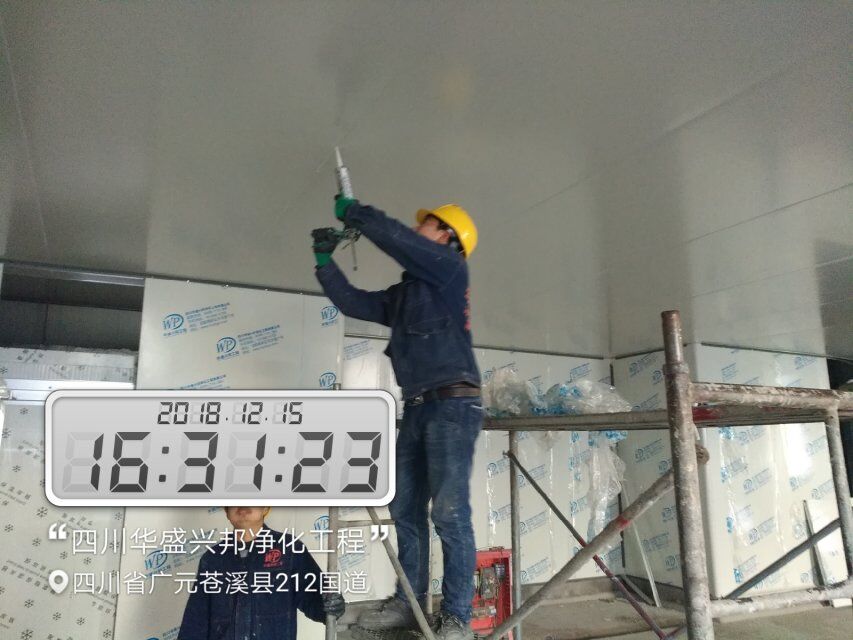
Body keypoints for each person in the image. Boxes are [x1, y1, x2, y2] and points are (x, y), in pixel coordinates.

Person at [312, 198, 482, 640]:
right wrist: (325, 262)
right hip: (418, 407)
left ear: (446, 235)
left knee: (449, 514)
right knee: (404, 509)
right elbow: (353, 302)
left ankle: (457, 618)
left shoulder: (448, 269)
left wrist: (357, 214)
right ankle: (409, 604)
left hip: (452, 406)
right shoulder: (408, 293)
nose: (416, 226)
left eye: (425, 223)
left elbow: (400, 241)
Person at [177, 506, 345, 640]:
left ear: (265, 507)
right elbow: (195, 623)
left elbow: (316, 600)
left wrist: (331, 604)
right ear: (226, 511)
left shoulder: (289, 550)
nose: (242, 505)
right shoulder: (213, 560)